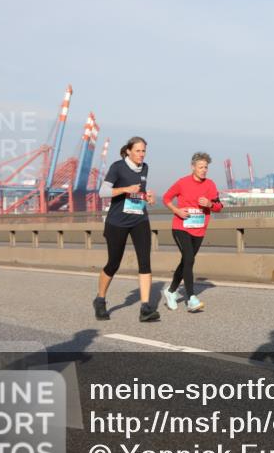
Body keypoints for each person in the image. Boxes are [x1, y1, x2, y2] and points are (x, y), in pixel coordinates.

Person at [94, 136, 160, 322]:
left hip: (139, 219)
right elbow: (103, 192)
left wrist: (148, 198)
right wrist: (124, 189)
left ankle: (145, 308)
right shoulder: (117, 167)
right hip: (117, 222)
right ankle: (100, 300)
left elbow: (138, 193)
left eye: (143, 151)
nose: (141, 154)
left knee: (145, 262)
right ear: (129, 151)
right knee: (113, 263)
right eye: (138, 151)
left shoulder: (145, 168)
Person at [162, 152, 223, 312]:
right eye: (201, 167)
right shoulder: (182, 183)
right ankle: (191, 298)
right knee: (189, 259)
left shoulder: (210, 185)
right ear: (193, 167)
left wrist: (210, 203)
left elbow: (219, 207)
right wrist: (177, 211)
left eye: (206, 167)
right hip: (181, 227)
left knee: (186, 262)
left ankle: (170, 291)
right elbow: (166, 198)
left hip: (199, 230)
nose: (204, 170)